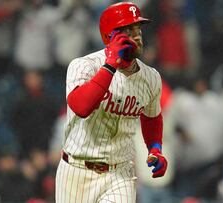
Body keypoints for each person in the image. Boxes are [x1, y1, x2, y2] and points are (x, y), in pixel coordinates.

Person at [55, 2, 168, 203]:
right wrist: (110, 65)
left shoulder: (151, 77)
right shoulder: (84, 66)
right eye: (128, 30)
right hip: (76, 170)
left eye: (138, 29)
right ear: (110, 36)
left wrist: (155, 149)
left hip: (120, 172)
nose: (137, 36)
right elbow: (81, 107)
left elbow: (152, 118)